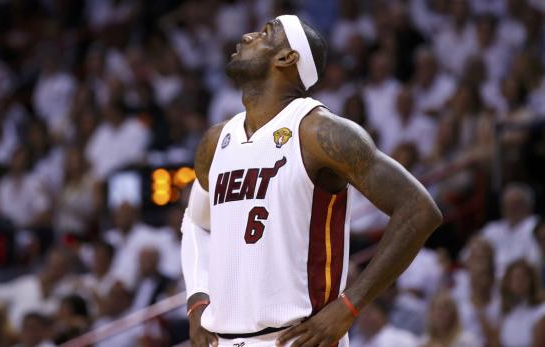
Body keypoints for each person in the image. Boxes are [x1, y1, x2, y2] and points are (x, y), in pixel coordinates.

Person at [181, 15, 442, 347]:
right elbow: (196, 223)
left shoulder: (319, 131)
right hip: (225, 338)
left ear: (287, 57)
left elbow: (419, 209)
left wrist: (350, 304)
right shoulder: (216, 141)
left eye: (265, 34)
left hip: (297, 337)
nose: (247, 36)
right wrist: (196, 301)